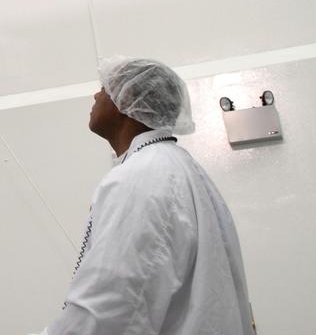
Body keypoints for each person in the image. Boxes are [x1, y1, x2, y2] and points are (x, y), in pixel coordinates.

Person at [38, 58, 256, 334]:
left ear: (127, 99)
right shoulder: (179, 169)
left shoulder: (143, 176)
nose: (95, 96)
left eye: (104, 89)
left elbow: (109, 307)